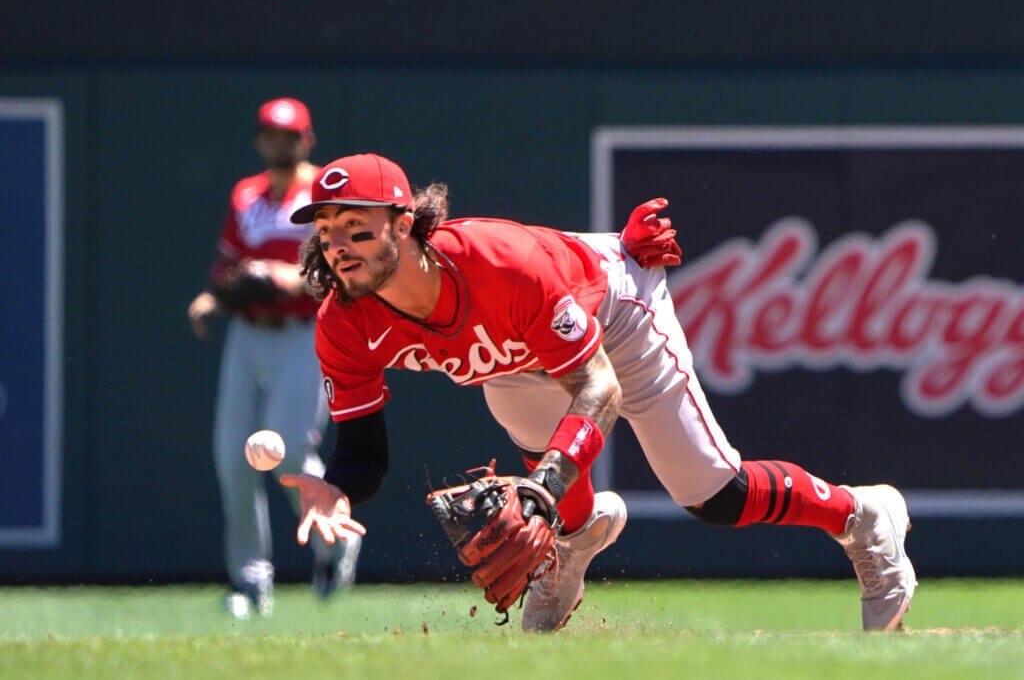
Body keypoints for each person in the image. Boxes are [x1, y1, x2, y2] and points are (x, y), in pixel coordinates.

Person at [279, 152, 917, 632]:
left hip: (613, 312)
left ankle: (863, 516)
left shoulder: (499, 266)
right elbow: (363, 448)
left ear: (404, 224)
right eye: (327, 231)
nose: (339, 246)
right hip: (517, 354)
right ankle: (578, 536)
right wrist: (337, 486)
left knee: (715, 495)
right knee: (515, 407)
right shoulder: (344, 320)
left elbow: (598, 387)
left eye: (357, 227)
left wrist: (545, 489)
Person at [186, 99, 360, 619]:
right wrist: (214, 296)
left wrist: (296, 278)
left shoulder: (324, 193)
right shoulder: (247, 194)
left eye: (289, 135)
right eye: (271, 135)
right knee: (232, 459)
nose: (280, 144)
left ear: (307, 139)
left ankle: (335, 543)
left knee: (288, 455)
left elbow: (346, 262)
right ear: (260, 140)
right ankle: (249, 581)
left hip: (304, 333)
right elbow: (229, 263)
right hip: (248, 334)